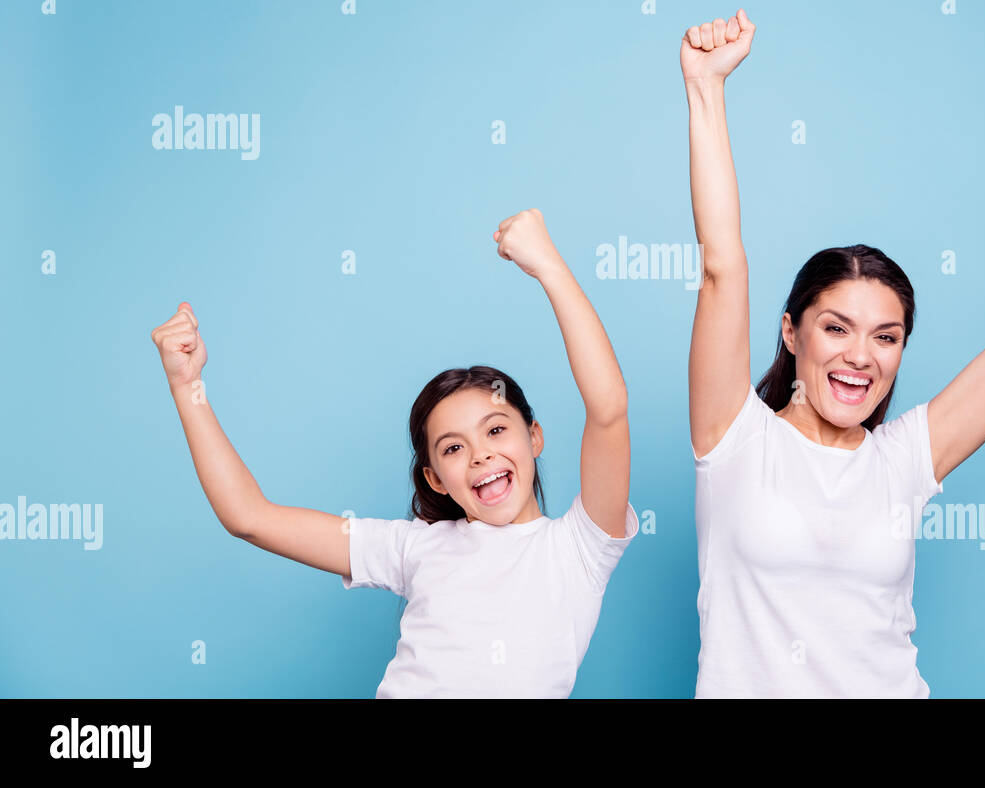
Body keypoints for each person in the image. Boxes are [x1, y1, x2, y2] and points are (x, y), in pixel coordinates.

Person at [680, 8, 985, 697]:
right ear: (791, 333)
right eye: (836, 328)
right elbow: (722, 266)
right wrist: (706, 87)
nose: (861, 356)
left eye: (886, 337)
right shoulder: (731, 436)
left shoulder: (904, 460)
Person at [149, 208, 638, 697]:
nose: (480, 456)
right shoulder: (416, 547)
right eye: (453, 448)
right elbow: (249, 517)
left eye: (495, 430)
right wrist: (186, 386)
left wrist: (549, 266)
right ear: (435, 479)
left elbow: (609, 409)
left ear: (534, 437)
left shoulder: (578, 548)